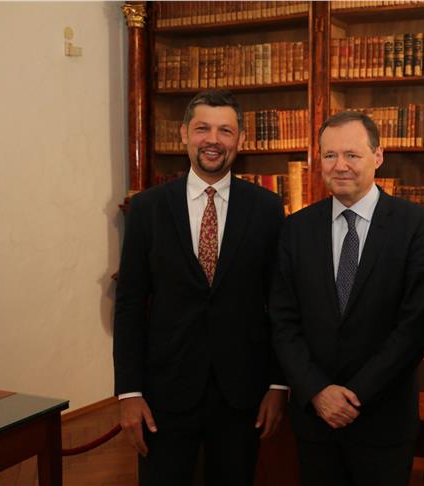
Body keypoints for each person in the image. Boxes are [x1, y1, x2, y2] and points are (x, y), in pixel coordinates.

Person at [113, 90, 287, 486]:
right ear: (183, 135)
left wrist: (279, 385)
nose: (214, 139)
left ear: (240, 140)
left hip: (242, 393)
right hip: (165, 392)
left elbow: (280, 303)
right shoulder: (146, 209)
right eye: (203, 128)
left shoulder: (267, 208)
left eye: (225, 130)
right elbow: (129, 305)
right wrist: (128, 392)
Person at [270, 111, 424, 486]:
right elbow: (283, 322)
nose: (340, 165)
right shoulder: (296, 228)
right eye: (329, 156)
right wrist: (317, 391)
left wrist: (353, 396)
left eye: (352, 154)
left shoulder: (417, 225)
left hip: (383, 420)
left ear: (378, 156)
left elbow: (416, 326)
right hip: (315, 422)